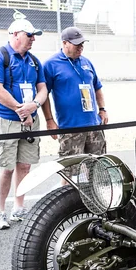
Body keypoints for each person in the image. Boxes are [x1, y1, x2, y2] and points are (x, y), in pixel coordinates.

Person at [0, 17, 47, 229]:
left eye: (34, 35)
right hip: (7, 120)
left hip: (31, 120)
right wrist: (20, 109)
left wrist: (33, 105)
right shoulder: (0, 56)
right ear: (15, 34)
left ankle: (19, 207)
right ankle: (0, 211)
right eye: (29, 35)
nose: (33, 39)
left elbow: (42, 89)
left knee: (24, 165)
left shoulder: (34, 61)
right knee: (6, 167)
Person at [42, 26, 107, 186]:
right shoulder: (51, 64)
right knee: (69, 172)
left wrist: (102, 109)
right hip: (70, 128)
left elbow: (97, 87)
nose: (81, 47)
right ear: (64, 43)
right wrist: (49, 119)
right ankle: (65, 204)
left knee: (96, 168)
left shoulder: (86, 62)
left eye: (82, 43)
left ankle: (94, 200)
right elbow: (44, 95)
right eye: (77, 44)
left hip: (93, 125)